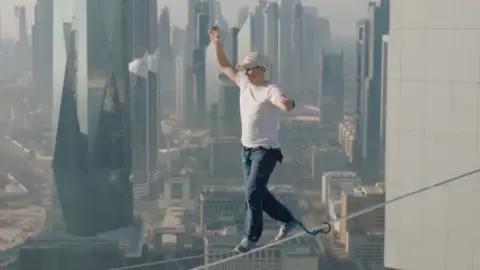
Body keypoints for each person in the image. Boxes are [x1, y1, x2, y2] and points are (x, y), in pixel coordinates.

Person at [209, 25, 299, 253]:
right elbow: (224, 65)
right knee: (259, 194)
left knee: (251, 193)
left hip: (265, 150)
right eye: (245, 69)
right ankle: (288, 220)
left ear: (262, 69)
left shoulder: (270, 89)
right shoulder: (243, 82)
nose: (246, 72)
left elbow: (281, 100)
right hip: (246, 150)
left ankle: (251, 237)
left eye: (250, 69)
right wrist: (216, 43)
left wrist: (287, 104)